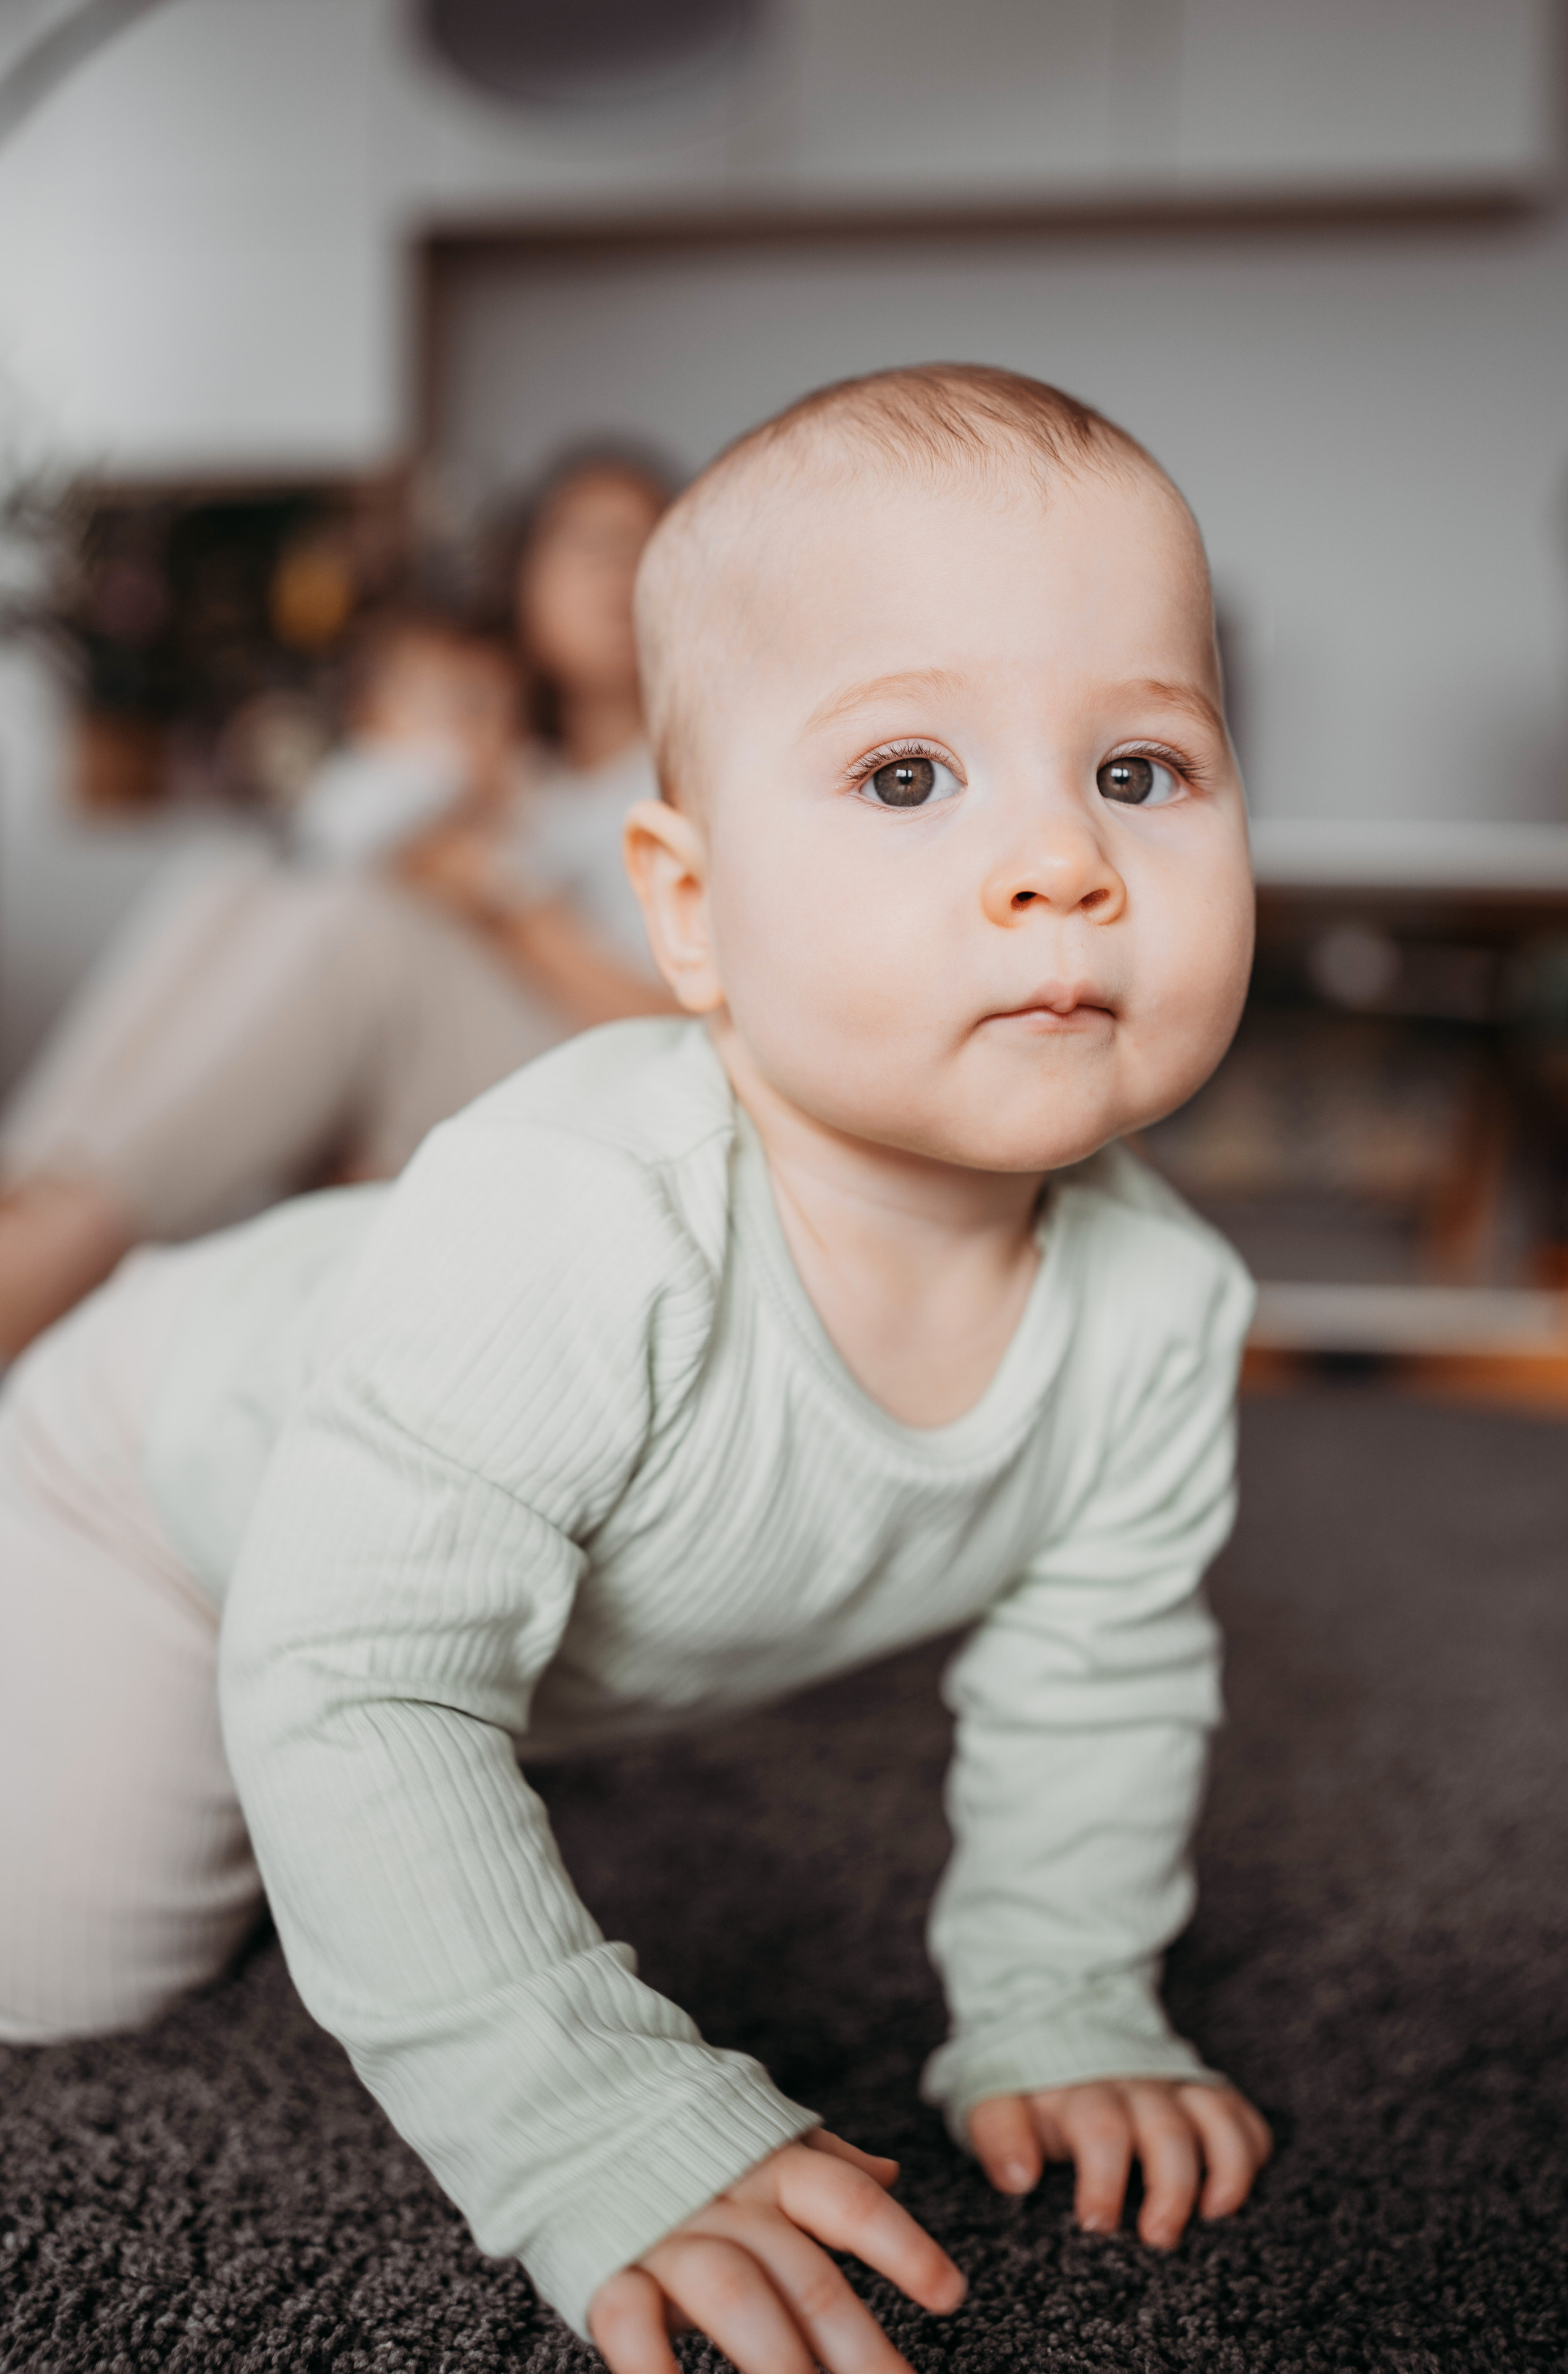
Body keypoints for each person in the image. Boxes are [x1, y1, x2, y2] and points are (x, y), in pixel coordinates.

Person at [0, 365, 1271, 2374]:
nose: (1064, 863)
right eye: (910, 778)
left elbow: (1098, 1681)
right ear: (689, 909)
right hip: (148, 1488)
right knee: (55, 1977)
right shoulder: (578, 1208)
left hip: (439, 1568)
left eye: (1142, 772)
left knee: (389, 1798)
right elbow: (368, 1676)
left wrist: (1063, 2005)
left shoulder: (1166, 1309)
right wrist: (592, 2104)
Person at [0, 452, 675, 1360]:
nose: (620, 568)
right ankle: (36, 1183)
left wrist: (496, 897)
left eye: (648, 539)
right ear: (526, 578)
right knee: (230, 878)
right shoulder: (505, 756)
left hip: (605, 1073)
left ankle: (60, 1243)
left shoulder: (687, 769)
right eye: (591, 542)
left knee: (359, 928)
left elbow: (693, 1031)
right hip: (464, 1033)